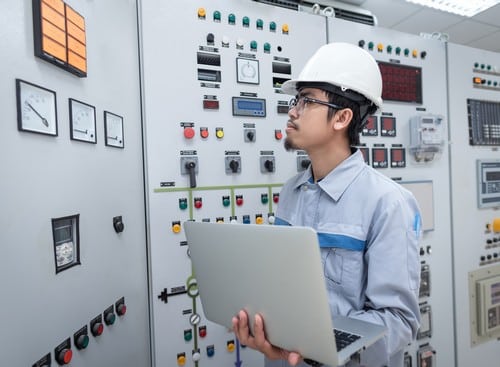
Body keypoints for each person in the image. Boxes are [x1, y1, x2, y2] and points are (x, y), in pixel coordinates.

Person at [232, 42, 421, 367]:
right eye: (295, 100)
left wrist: (321, 348)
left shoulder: (388, 203)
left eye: (306, 101)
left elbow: (398, 322)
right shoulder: (292, 191)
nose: (292, 111)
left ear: (342, 118)